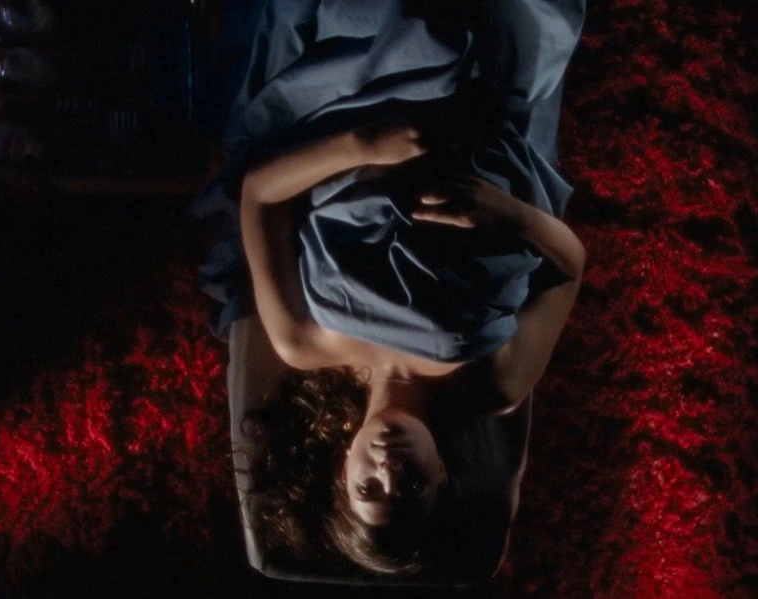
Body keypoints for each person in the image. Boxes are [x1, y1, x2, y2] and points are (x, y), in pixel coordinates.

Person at [196, 0, 587, 576]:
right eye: (410, 490)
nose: (388, 470)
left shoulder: (303, 342)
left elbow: (259, 194)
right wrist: (508, 214)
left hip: (355, 107)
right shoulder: (492, 383)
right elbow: (570, 266)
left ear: (344, 470)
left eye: (369, 488)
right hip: (475, 121)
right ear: (443, 476)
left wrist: (364, 145)